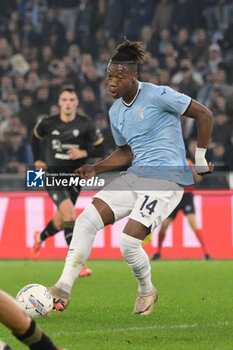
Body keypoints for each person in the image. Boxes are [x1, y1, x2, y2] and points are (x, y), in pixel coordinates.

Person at [48, 38, 213, 315]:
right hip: (136, 175)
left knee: (127, 243)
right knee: (86, 221)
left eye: (118, 76)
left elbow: (204, 114)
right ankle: (63, 288)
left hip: (165, 180)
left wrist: (199, 157)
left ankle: (147, 290)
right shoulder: (115, 112)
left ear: (133, 77)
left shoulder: (159, 95)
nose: (111, 82)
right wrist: (95, 168)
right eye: (108, 76)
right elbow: (126, 153)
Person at [30, 86, 104, 278]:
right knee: (71, 216)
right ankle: (76, 264)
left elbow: (101, 149)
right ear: (59, 103)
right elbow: (34, 137)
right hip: (52, 176)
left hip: (74, 178)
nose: (68, 103)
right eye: (64, 100)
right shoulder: (48, 123)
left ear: (76, 103)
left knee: (61, 220)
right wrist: (37, 160)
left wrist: (84, 153)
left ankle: (39, 238)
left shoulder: (86, 124)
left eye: (72, 99)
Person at [150, 159, 212, 260]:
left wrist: (193, 171)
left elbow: (198, 179)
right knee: (164, 224)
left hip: (187, 196)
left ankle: (206, 253)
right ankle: (158, 252)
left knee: (192, 222)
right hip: (174, 196)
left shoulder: (188, 162)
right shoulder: (170, 163)